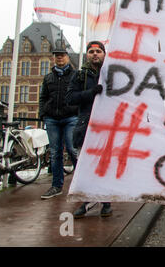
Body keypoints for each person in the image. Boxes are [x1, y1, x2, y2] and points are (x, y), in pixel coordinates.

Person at [66, 41, 112, 218]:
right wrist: (92, 92)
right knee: (85, 167)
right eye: (92, 51)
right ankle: (86, 201)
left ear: (104, 54)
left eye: (98, 51)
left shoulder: (111, 73)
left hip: (106, 126)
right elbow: (70, 98)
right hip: (86, 127)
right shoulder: (79, 76)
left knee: (104, 165)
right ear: (87, 55)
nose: (95, 54)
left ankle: (106, 202)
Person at [40, 48, 78, 199]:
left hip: (70, 117)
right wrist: (43, 113)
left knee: (72, 149)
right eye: (57, 56)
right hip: (52, 119)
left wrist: (76, 110)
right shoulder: (48, 77)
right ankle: (56, 186)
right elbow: (43, 97)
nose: (59, 58)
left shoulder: (76, 75)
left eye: (62, 55)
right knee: (55, 153)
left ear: (68, 57)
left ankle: (79, 182)